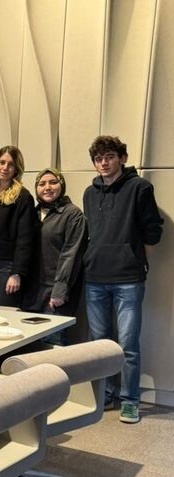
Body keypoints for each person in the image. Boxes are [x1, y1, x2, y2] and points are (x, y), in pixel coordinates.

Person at [83, 136, 163, 424]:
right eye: (98, 158)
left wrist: (137, 259)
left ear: (122, 158)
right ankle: (105, 395)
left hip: (128, 278)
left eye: (109, 157)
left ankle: (130, 401)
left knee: (128, 345)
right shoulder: (89, 193)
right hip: (95, 277)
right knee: (99, 345)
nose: (104, 163)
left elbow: (153, 231)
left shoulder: (140, 187)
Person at [23, 168, 86, 346]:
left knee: (52, 347)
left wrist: (60, 291)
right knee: (29, 348)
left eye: (53, 182)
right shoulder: (32, 214)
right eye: (42, 184)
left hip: (56, 294)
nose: (47, 187)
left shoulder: (72, 214)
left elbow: (71, 254)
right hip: (31, 294)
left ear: (62, 185)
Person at [0, 145, 37, 307]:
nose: (5, 168)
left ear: (16, 170)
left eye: (11, 164)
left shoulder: (23, 197)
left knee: (4, 315)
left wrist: (16, 273)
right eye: (2, 162)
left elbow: (25, 239)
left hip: (6, 268)